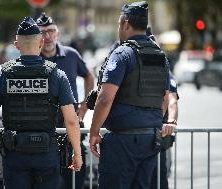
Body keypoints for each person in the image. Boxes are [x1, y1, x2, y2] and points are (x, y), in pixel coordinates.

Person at [0, 17, 83, 189]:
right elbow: (71, 120)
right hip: (47, 154)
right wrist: (77, 154)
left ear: (16, 45)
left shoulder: (2, 75)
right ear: (41, 42)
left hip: (15, 155)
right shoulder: (57, 74)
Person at [89, 1, 171, 189]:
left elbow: (105, 98)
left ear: (125, 23)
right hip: (150, 139)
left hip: (123, 142)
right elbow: (165, 98)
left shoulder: (122, 53)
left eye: (119, 23)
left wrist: (94, 132)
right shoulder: (160, 56)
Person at [36, 13, 94, 189]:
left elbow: (89, 76)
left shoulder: (71, 54)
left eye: (51, 31)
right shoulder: (33, 58)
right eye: (42, 32)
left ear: (57, 34)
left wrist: (84, 106)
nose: (47, 36)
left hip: (70, 124)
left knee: (74, 177)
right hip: (42, 127)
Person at [151, 71, 179, 189]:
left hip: (158, 133)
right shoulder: (163, 68)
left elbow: (172, 101)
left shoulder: (164, 72)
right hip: (158, 131)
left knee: (159, 176)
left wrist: (171, 121)